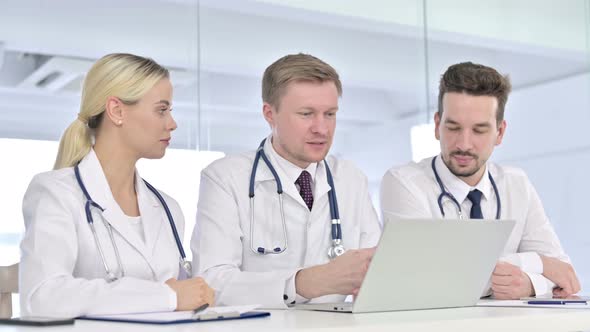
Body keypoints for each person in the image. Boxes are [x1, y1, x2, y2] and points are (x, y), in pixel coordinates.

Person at [19, 53, 214, 317]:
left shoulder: (167, 208)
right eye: (161, 110)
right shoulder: (56, 193)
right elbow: (43, 297)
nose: (172, 123)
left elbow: (182, 294)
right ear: (117, 111)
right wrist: (166, 296)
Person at [191, 53, 381, 308]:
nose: (321, 129)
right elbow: (211, 283)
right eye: (306, 114)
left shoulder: (349, 178)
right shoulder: (225, 178)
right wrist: (302, 283)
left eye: (330, 114)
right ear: (270, 114)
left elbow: (378, 270)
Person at [380, 62, 580, 300]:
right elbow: (425, 278)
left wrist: (528, 284)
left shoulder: (516, 184)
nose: (464, 144)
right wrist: (535, 262)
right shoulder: (405, 184)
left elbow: (563, 274)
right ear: (437, 126)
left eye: (479, 130)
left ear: (500, 133)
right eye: (453, 127)